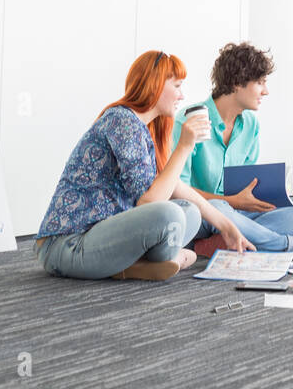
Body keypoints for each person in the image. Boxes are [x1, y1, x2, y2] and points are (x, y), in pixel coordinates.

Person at [34, 50, 253, 281]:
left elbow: (174, 186)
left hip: (99, 239)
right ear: (155, 85)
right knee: (169, 213)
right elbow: (150, 204)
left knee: (190, 212)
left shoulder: (141, 128)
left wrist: (226, 226)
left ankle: (132, 266)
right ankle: (148, 263)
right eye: (177, 86)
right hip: (67, 245)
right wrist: (184, 147)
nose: (182, 95)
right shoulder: (122, 121)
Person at [172, 41, 293, 256]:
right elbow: (179, 191)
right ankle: (292, 245)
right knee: (220, 208)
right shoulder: (189, 121)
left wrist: (272, 194)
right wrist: (231, 202)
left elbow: (244, 182)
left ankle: (226, 241)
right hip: (204, 213)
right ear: (237, 82)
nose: (265, 91)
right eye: (260, 82)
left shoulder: (250, 124)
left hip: (239, 213)